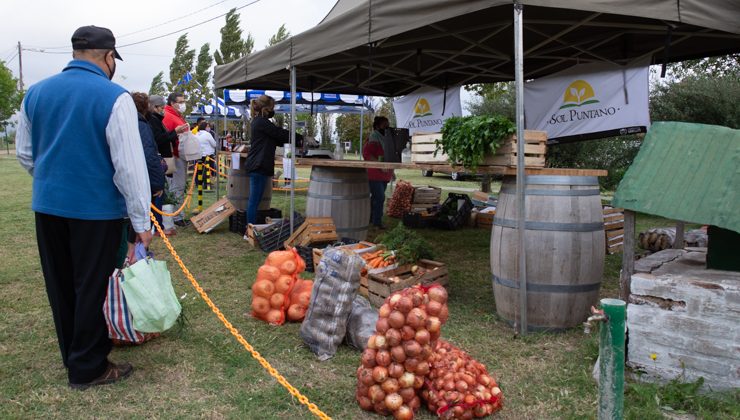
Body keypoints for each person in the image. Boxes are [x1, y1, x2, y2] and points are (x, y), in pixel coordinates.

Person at [15, 25, 151, 389]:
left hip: (48, 206)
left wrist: (55, 179)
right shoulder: (115, 97)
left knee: (60, 284)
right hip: (96, 210)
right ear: (109, 58)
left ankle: (73, 356)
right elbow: (130, 168)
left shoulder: (36, 93)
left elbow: (26, 155)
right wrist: (142, 221)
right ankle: (89, 367)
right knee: (91, 286)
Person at [244, 95, 303, 224]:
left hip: (258, 164)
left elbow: (275, 138)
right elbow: (278, 133)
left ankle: (251, 228)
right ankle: (250, 230)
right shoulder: (261, 122)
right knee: (254, 201)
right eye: (272, 108)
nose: (273, 110)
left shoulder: (259, 121)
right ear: (266, 108)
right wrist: (299, 137)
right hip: (258, 165)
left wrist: (296, 139)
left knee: (255, 200)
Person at [131, 92, 169, 235]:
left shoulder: (131, 123)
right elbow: (149, 155)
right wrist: (158, 182)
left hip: (135, 175)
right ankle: (154, 229)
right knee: (154, 202)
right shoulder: (143, 125)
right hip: (145, 175)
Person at [161, 93, 190, 227]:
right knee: (176, 186)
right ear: (173, 103)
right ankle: (177, 216)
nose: (183, 104)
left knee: (177, 186)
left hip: (180, 155)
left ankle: (178, 214)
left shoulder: (176, 115)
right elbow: (166, 137)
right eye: (181, 101)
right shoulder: (168, 116)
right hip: (175, 156)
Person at [362, 116, 393, 229]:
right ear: (377, 126)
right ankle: (377, 222)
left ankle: (369, 218)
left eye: (387, 124)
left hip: (384, 174)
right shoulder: (374, 137)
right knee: (379, 197)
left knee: (375, 198)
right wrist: (380, 165)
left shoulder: (386, 138)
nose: (387, 127)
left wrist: (391, 170)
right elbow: (367, 155)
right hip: (374, 173)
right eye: (384, 125)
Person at [194, 120, 217, 190]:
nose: (209, 128)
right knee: (207, 170)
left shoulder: (196, 134)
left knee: (199, 170)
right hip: (208, 155)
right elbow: (214, 144)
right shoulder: (207, 134)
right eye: (207, 126)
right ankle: (206, 184)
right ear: (204, 127)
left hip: (199, 155)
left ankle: (198, 183)